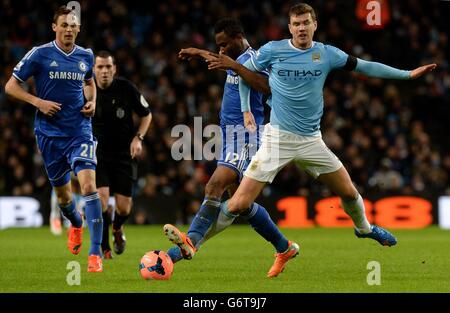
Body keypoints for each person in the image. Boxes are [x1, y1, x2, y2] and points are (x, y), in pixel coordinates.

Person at [207, 3, 437, 267]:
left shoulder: (327, 54)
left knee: (350, 194)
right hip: (278, 139)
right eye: (296, 23)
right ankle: (190, 245)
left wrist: (407, 75)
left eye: (306, 22)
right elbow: (244, 72)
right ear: (290, 27)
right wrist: (247, 109)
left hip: (311, 141)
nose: (302, 28)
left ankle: (363, 228)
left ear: (314, 24)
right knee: (237, 204)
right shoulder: (273, 49)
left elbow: (365, 66)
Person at [164, 18, 300, 278]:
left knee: (214, 185)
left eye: (225, 45)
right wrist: (198, 52)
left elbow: (266, 87)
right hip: (228, 136)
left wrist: (234, 66)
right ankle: (284, 248)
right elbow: (224, 60)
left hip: (247, 135)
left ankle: (190, 240)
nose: (222, 51)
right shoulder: (233, 59)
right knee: (242, 204)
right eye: (219, 47)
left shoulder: (257, 59)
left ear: (239, 37)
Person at [5, 6, 104, 272]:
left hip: (80, 130)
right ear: (55, 27)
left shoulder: (86, 55)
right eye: (64, 25)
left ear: (78, 29)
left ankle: (95, 254)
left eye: (73, 25)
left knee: (88, 186)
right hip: (49, 134)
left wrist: (92, 101)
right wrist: (38, 102)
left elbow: (89, 82)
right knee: (63, 198)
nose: (69, 29)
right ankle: (76, 223)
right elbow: (10, 86)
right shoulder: (40, 54)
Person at [92, 51, 152, 259]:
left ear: (114, 68)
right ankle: (105, 247)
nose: (104, 71)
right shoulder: (86, 89)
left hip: (123, 154)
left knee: (124, 208)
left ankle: (117, 228)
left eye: (108, 67)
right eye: (100, 67)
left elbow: (147, 115)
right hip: (98, 153)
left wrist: (139, 138)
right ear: (94, 70)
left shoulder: (126, 88)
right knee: (101, 200)